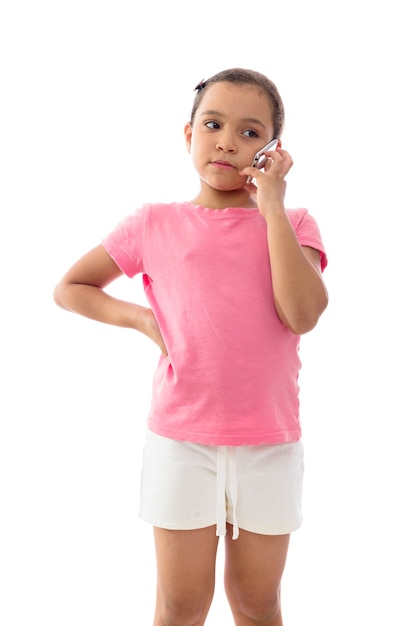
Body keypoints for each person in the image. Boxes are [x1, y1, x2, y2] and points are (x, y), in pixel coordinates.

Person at [53, 67, 328, 626]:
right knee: (181, 606)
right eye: (213, 124)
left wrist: (271, 206)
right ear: (188, 134)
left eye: (250, 132)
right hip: (181, 441)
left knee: (256, 602)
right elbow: (70, 288)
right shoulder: (153, 223)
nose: (228, 140)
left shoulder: (295, 223)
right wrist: (139, 318)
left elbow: (302, 314)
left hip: (269, 442)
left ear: (271, 151)